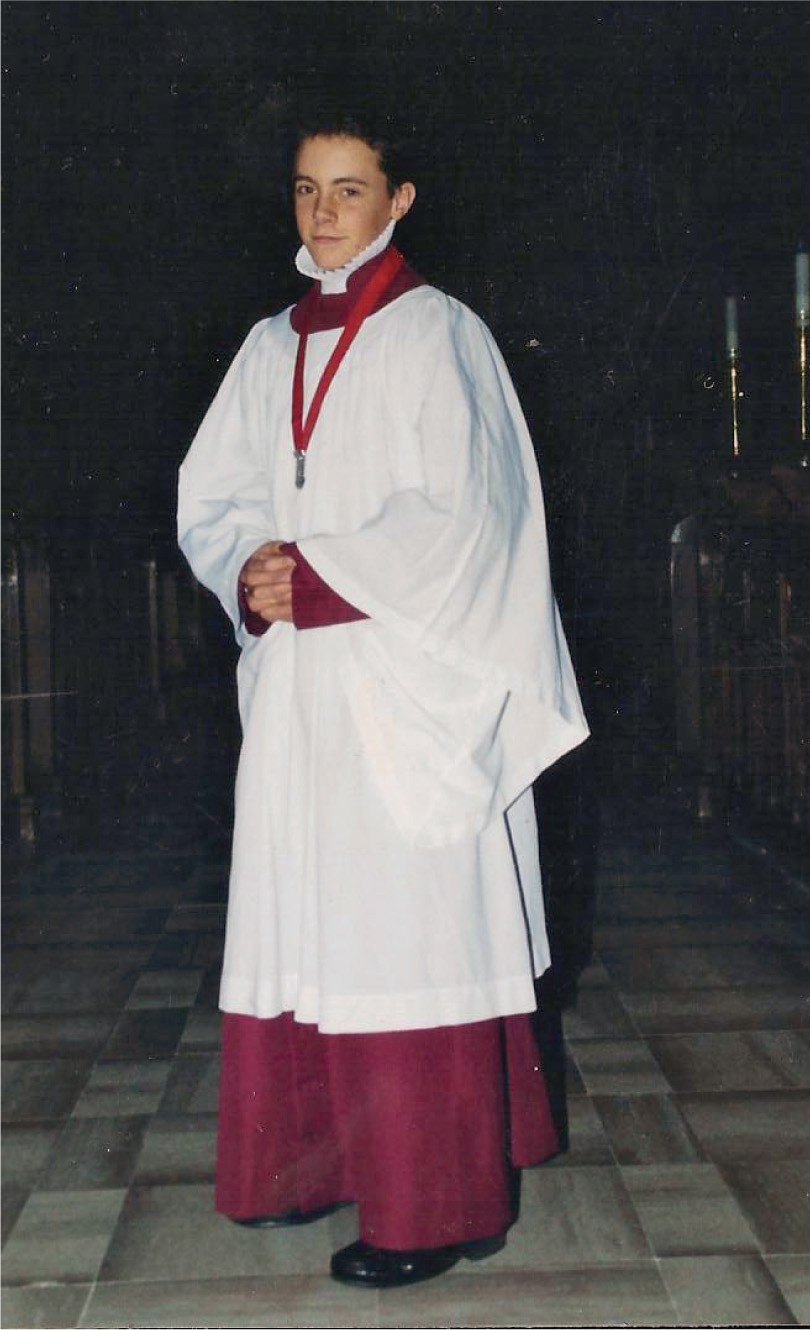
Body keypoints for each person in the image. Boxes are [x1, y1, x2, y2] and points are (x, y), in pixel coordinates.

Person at [177, 115, 589, 1289]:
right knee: (304, 921)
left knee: (407, 932)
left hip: (407, 683)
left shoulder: (437, 333)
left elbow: (475, 513)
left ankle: (435, 1205)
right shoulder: (268, 346)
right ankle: (306, 1165)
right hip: (303, 686)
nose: (322, 214)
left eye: (348, 190)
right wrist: (250, 571)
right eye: (306, 190)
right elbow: (212, 493)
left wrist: (320, 574)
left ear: (398, 198)